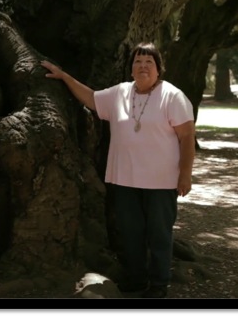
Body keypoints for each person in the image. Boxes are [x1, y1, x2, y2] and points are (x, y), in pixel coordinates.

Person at [40, 42, 195, 298]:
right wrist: (64, 77)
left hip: (161, 181)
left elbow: (187, 137)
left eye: (149, 62)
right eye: (137, 61)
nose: (143, 66)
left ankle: (159, 284)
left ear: (158, 69)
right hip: (125, 179)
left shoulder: (173, 96)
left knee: (158, 234)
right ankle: (136, 280)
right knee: (130, 233)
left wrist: (185, 174)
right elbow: (91, 98)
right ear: (131, 68)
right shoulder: (120, 92)